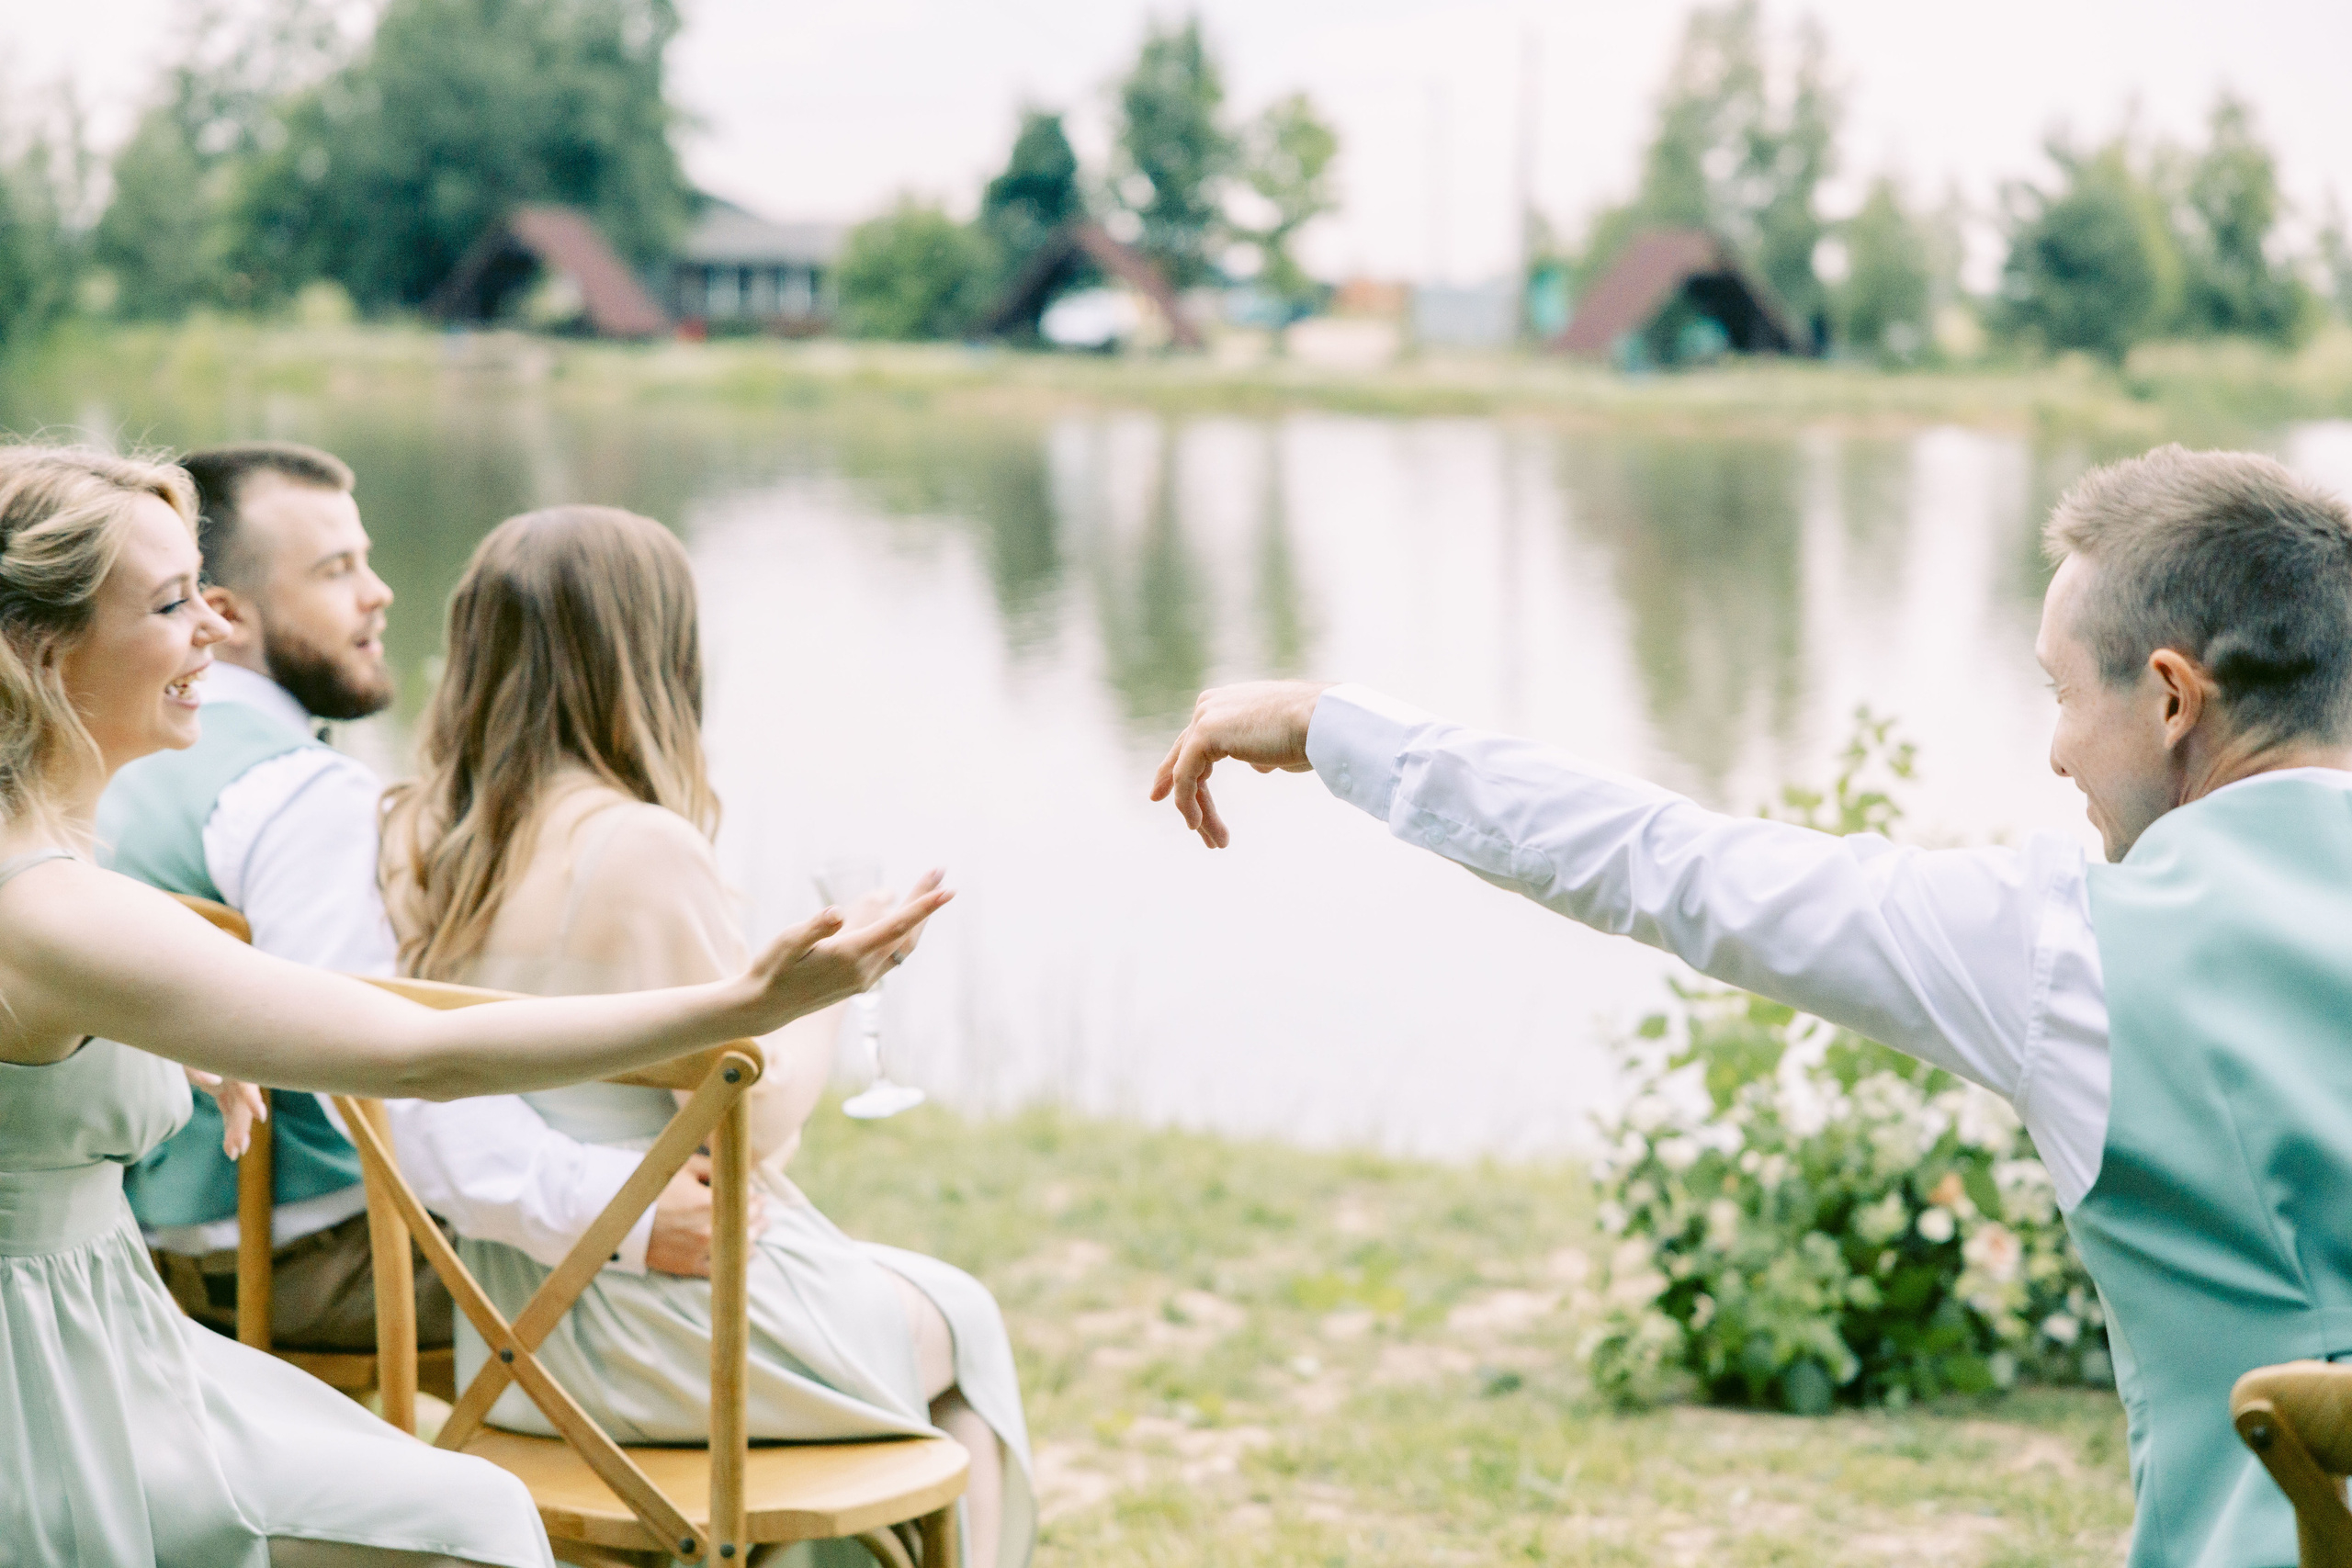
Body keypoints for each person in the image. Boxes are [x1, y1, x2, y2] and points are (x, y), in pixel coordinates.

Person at [1152, 444, 2352, 1568]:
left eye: (2059, 692)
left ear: (2171, 697)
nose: (2053, 753)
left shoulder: (2070, 954)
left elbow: (1675, 863)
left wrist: (1332, 725)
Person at [0, 442, 947, 1568]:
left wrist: (150, 1042)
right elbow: (419, 1052)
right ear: (41, 652)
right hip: (48, 1370)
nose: (215, 627)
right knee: (474, 1519)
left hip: (114, 1322)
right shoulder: (57, 910)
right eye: (168, 603)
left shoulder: (67, 892)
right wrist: (744, 1003)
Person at [379, 505, 1034, 1568]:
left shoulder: (418, 836)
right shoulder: (641, 848)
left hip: (508, 1345)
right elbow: (753, 1123)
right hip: (664, 1338)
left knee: (925, 1300)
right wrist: (825, 989)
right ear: (655, 656)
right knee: (965, 1324)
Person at [100, 441, 738, 1355]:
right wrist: (624, 1215)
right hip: (307, 1271)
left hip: (126, 1251)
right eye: (336, 570)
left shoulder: (101, 760)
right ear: (225, 614)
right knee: (669, 1303)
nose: (380, 593)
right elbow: (392, 1083)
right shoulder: (301, 798)